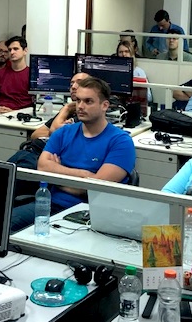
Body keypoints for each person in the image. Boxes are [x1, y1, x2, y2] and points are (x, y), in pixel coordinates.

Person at [9, 77, 135, 232]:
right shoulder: (64, 132)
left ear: (104, 105)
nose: (80, 106)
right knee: (3, 224)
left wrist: (56, 174)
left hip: (90, 214)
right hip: (51, 205)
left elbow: (94, 187)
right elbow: (42, 167)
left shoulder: (121, 142)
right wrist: (83, 175)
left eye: (88, 101)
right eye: (78, 100)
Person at [29, 72, 90, 140]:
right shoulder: (69, 111)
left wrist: (67, 108)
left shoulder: (85, 113)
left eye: (80, 83)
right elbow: (35, 134)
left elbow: (54, 131)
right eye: (71, 84)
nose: (73, 87)